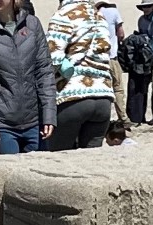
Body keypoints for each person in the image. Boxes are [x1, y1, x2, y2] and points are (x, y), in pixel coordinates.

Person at [0, 0, 56, 155]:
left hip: (35, 123)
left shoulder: (33, 25)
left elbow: (45, 72)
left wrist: (49, 115)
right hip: (0, 125)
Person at [47, 0, 118, 150]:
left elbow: (52, 58)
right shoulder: (99, 16)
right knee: (90, 161)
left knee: (59, 157)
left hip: (72, 96)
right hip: (103, 98)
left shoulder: (64, 14)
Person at [96, 1, 126, 124]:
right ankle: (122, 117)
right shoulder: (113, 12)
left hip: (97, 58)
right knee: (118, 88)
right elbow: (121, 34)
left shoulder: (94, 13)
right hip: (111, 56)